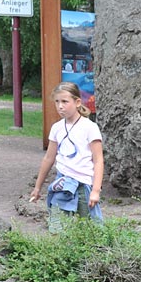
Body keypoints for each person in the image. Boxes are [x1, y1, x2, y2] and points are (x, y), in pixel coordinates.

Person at [29, 81, 105, 230]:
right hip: (62, 184)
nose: (60, 106)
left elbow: (98, 160)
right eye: (57, 102)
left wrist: (96, 190)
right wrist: (37, 187)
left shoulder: (90, 127)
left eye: (64, 101)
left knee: (92, 229)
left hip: (83, 184)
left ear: (77, 102)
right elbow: (48, 158)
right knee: (57, 227)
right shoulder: (56, 128)